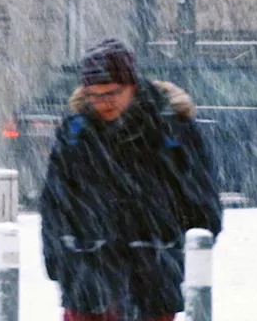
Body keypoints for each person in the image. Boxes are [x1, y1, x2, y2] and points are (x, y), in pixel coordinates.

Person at [40, 38, 222, 321]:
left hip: (152, 275)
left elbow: (200, 195)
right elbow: (55, 198)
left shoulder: (170, 128)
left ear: (132, 86)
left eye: (111, 93)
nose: (102, 103)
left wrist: (184, 251)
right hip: (87, 274)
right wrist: (58, 259)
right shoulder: (76, 131)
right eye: (94, 95)